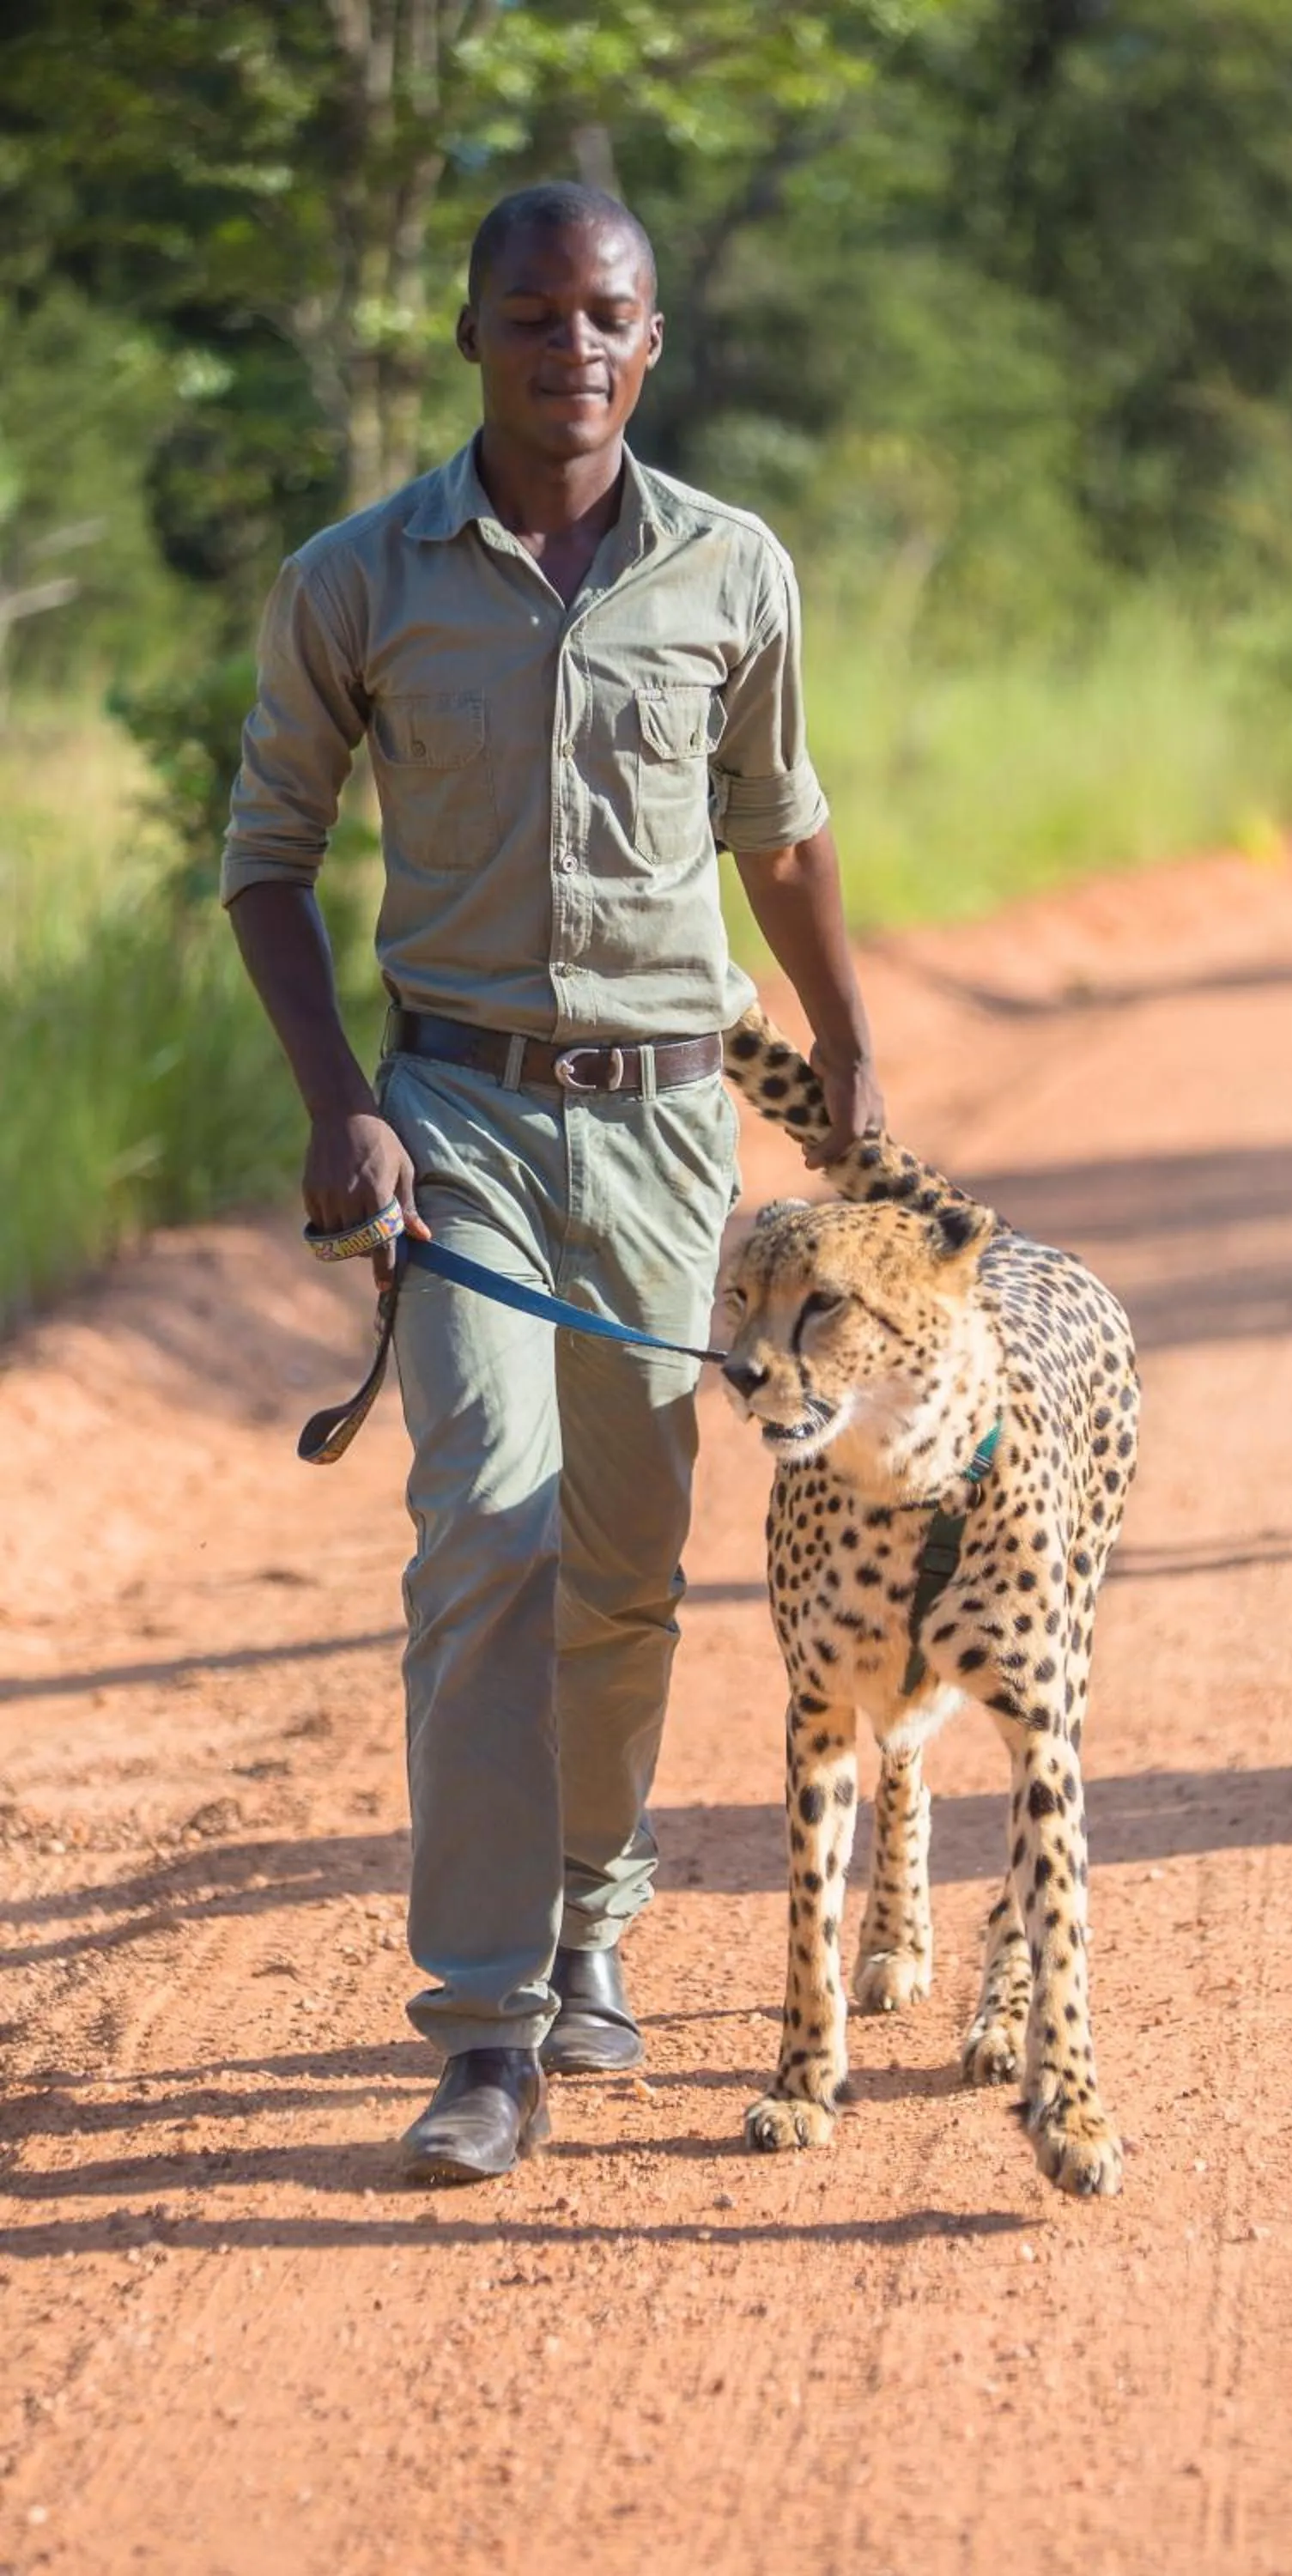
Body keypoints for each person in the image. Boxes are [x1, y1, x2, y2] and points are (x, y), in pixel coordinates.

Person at [222, 181, 883, 2184]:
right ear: (471, 335)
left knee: (623, 1555)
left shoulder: (731, 570)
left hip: (674, 1131)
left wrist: (842, 1045)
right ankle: (486, 2022)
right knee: (488, 1524)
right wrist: (346, 1102)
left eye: (604, 317)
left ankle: (599, 1923)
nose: (568, 349)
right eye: (531, 315)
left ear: (649, 342)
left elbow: (776, 830)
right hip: (464, 1126)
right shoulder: (360, 578)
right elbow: (268, 860)